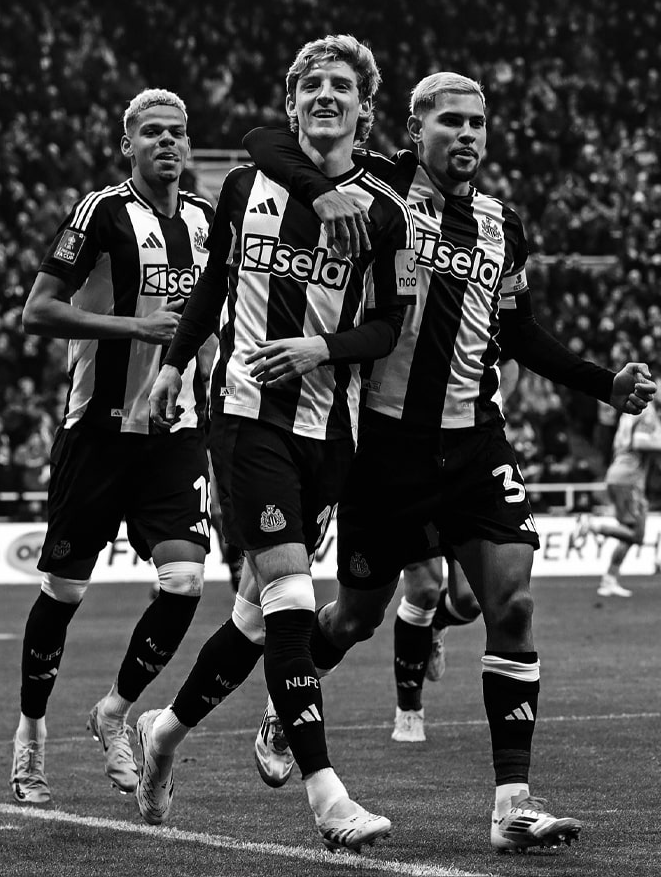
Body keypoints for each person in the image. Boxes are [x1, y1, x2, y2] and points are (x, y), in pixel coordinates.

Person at [242, 71, 656, 853]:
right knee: (356, 617)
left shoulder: (503, 224)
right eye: (450, 121)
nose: (466, 135)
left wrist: (605, 384)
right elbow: (266, 142)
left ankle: (512, 805)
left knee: (514, 604)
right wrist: (321, 192)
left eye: (477, 123)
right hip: (385, 448)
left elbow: (520, 333)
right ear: (413, 128)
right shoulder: (374, 186)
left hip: (474, 441)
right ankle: (284, 701)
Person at [137, 34, 417, 853]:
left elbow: (387, 327)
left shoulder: (386, 212)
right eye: (311, 85)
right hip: (246, 418)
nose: (326, 94)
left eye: (342, 86)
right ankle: (328, 798)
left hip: (331, 434)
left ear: (365, 109)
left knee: (257, 620)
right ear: (292, 104)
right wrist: (173, 365)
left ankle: (163, 732)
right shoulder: (242, 184)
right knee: (294, 600)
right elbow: (214, 284)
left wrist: (318, 348)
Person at [10, 89, 215, 806]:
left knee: (185, 583)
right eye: (152, 132)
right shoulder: (100, 212)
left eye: (177, 132)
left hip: (174, 434)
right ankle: (31, 734)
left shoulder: (207, 223)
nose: (167, 143)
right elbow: (37, 311)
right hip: (96, 434)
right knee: (64, 592)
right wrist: (136, 329)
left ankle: (115, 711)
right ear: (127, 144)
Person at [389, 358, 518, 743]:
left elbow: (513, 359)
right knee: (425, 588)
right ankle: (409, 709)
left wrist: (495, 402)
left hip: (470, 457)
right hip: (414, 457)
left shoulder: (486, 319)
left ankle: (437, 625)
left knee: (470, 601)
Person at [576, 398, 661, 597]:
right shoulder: (647, 412)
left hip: (620, 473)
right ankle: (592, 526)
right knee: (636, 534)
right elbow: (640, 441)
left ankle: (609, 580)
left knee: (629, 532)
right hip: (629, 477)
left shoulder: (629, 412)